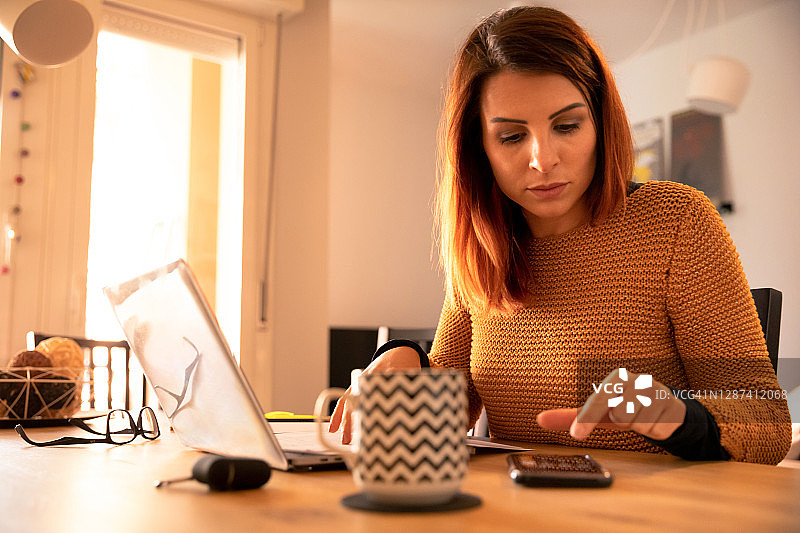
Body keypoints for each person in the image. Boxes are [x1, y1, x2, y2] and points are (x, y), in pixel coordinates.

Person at [329, 6, 790, 464]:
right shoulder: (485, 244)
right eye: (511, 136)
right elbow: (454, 400)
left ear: (600, 123)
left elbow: (767, 426)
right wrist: (404, 357)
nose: (542, 159)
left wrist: (664, 412)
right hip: (518, 507)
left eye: (566, 126)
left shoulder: (674, 222)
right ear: (479, 147)